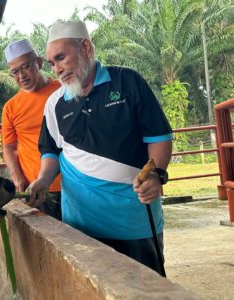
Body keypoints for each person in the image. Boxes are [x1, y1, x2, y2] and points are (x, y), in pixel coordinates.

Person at [27, 20, 173, 274]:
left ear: (85, 47)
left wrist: (156, 173)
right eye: (51, 63)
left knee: (147, 288)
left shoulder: (128, 82)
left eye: (61, 58)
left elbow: (159, 137)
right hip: (81, 227)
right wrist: (42, 180)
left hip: (134, 221)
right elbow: (51, 151)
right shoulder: (54, 104)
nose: (57, 69)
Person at [1, 39, 62, 220]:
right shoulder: (11, 108)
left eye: (26, 67)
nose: (22, 75)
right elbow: (9, 148)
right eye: (15, 72)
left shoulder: (63, 91)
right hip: (37, 189)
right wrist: (17, 177)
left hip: (75, 183)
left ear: (40, 63)